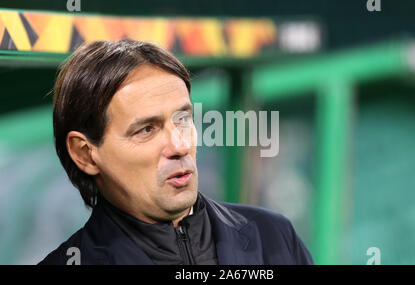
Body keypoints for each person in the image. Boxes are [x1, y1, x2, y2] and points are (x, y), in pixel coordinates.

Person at [38, 39, 313, 265]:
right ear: (85, 154)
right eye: (146, 129)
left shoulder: (274, 238)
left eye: (183, 119)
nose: (180, 146)